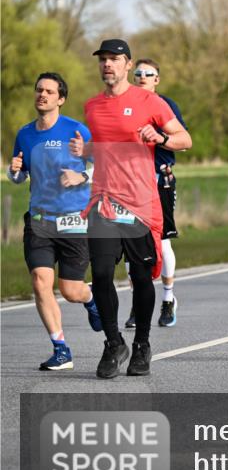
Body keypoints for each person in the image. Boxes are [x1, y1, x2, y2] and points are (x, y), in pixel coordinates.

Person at [74, 38, 192, 378]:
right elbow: (102, 149)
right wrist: (85, 150)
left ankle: (141, 344)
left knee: (141, 277)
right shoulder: (92, 106)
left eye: (115, 59)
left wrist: (161, 139)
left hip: (141, 203)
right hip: (104, 201)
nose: (108, 64)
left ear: (128, 65)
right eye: (103, 60)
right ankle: (113, 343)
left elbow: (185, 139)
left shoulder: (149, 101)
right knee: (99, 274)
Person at [8, 72, 102, 371]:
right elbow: (20, 176)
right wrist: (13, 172)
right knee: (40, 282)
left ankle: (90, 298)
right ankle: (61, 349)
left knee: (71, 290)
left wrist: (81, 175)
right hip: (39, 221)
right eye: (39, 90)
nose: (42, 95)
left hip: (73, 220)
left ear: (60, 99)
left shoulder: (78, 131)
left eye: (49, 91)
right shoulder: (25, 134)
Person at [123, 59, 187, 329]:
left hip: (159, 178)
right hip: (129, 182)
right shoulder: (123, 104)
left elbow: (184, 142)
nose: (142, 77)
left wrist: (160, 139)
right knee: (130, 246)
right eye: (138, 73)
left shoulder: (165, 105)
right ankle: (139, 303)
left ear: (157, 79)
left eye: (148, 74)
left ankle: (168, 299)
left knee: (161, 243)